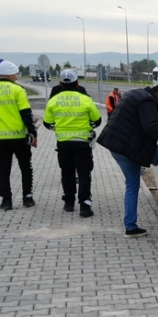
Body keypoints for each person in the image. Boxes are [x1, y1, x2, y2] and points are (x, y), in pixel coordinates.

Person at [96, 85, 158, 238]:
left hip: (116, 146)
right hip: (132, 147)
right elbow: (150, 128)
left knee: (132, 186)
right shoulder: (148, 101)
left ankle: (130, 227)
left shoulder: (134, 94)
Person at [0, 60, 38, 211]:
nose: (17, 77)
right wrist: (33, 132)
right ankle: (27, 197)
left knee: (3, 169)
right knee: (26, 167)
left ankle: (6, 201)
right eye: (16, 74)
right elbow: (26, 113)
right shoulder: (18, 90)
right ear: (10, 75)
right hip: (19, 136)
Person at [43, 70, 102, 217]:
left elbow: (47, 123)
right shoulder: (85, 99)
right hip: (82, 143)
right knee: (84, 173)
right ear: (77, 83)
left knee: (67, 173)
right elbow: (97, 120)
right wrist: (88, 127)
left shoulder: (53, 101)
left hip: (63, 144)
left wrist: (59, 128)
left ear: (61, 84)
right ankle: (85, 206)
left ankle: (69, 203)